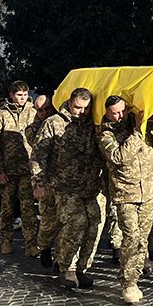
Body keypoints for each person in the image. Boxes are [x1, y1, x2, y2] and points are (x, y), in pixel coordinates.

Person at [100, 98, 153, 304]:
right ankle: (128, 283)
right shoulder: (107, 134)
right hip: (125, 195)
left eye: (122, 111)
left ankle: (135, 277)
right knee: (131, 238)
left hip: (148, 192)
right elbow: (119, 157)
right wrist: (137, 133)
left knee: (142, 240)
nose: (120, 116)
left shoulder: (143, 127)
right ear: (107, 113)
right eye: (115, 113)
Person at [33, 88, 103, 289]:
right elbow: (39, 155)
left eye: (86, 108)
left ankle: (82, 268)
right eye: (77, 107)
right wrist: (39, 183)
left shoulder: (92, 125)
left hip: (89, 186)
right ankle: (67, 268)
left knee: (94, 226)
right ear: (70, 103)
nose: (81, 112)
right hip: (63, 187)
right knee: (75, 222)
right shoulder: (54, 123)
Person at [0, 81, 39, 256]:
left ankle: (31, 243)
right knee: (7, 208)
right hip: (8, 170)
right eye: (19, 95)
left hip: (28, 169)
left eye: (25, 95)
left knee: (28, 208)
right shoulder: (1, 115)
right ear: (11, 95)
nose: (22, 98)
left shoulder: (33, 113)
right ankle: (6, 240)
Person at [28, 95, 60, 267]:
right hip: (46, 179)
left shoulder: (59, 123)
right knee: (48, 220)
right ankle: (45, 247)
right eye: (40, 110)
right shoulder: (33, 129)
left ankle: (61, 259)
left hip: (62, 180)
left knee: (64, 221)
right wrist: (38, 184)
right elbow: (37, 155)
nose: (44, 113)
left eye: (47, 109)